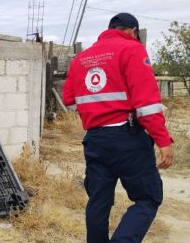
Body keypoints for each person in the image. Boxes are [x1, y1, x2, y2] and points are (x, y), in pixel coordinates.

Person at [63, 13, 174, 243]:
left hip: (94, 139)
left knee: (98, 200)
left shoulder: (82, 58)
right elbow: (147, 104)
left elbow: (70, 101)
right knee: (148, 198)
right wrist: (163, 141)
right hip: (127, 138)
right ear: (133, 31)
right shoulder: (132, 49)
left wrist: (97, 110)